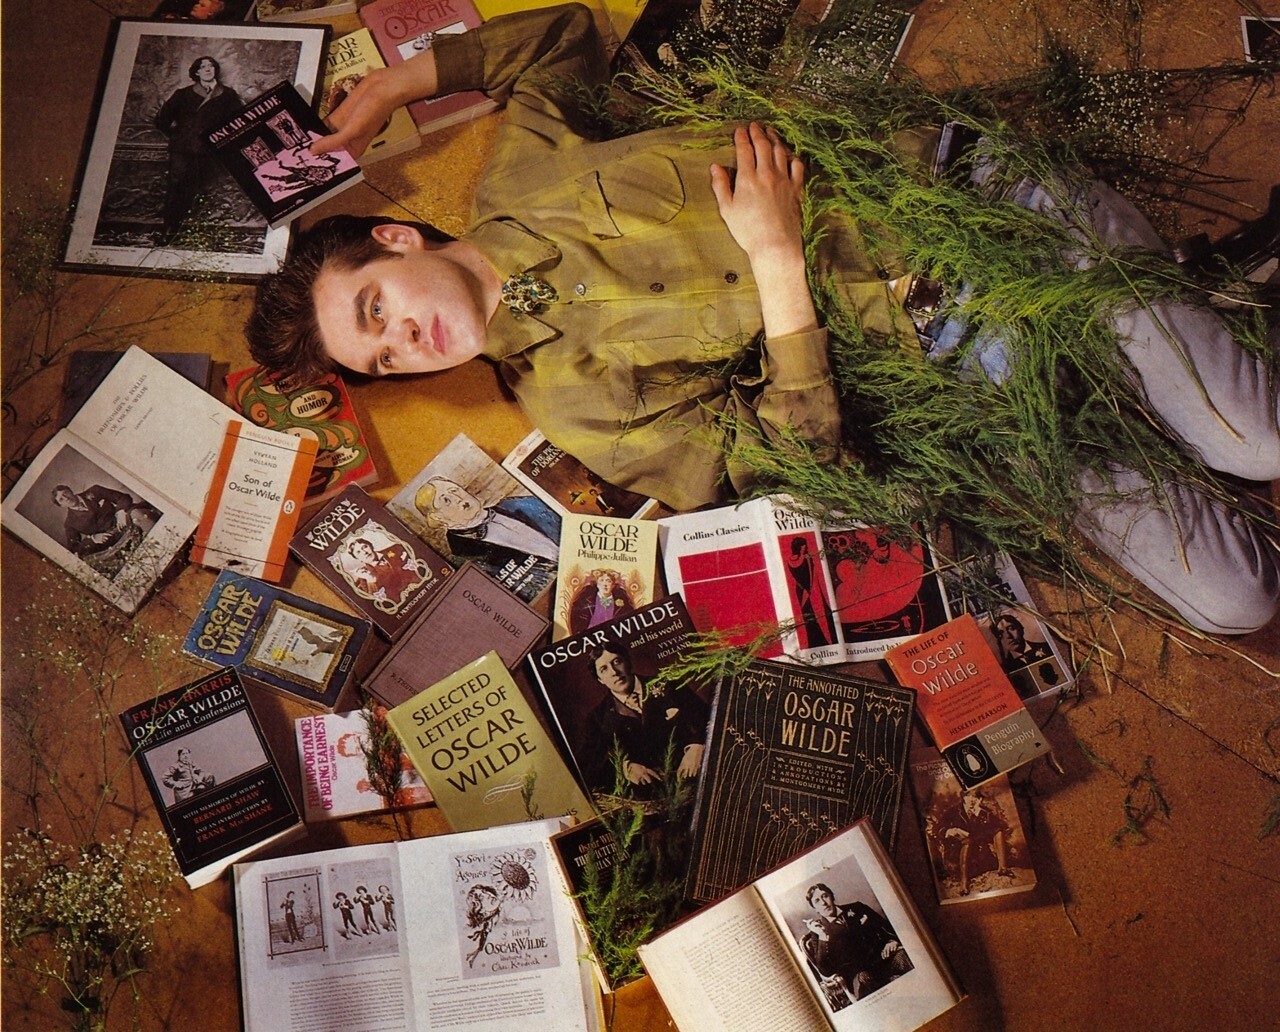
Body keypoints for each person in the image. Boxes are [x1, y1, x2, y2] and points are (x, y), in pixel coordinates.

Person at [244, 4, 1280, 637]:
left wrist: (397, 85)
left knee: (1258, 441)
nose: (403, 345)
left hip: (981, 214)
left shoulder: (524, 168)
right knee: (1238, 601)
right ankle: (1189, 311)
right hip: (969, 392)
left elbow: (559, 38)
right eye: (381, 360)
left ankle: (1153, 303)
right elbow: (785, 457)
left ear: (397, 241)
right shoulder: (574, 409)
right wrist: (778, 262)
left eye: (376, 310)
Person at [580, 641, 709, 796]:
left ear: (628, 661)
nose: (614, 672)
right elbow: (590, 765)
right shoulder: (597, 718)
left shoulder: (669, 684)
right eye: (604, 669)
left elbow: (707, 715)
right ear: (600, 680)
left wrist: (697, 746)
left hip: (699, 777)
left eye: (617, 661)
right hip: (650, 797)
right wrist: (626, 768)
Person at [154, 56, 242, 242]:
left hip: (209, 152)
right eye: (203, 67)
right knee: (176, 186)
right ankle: (169, 231)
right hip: (182, 151)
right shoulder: (183, 94)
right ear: (197, 72)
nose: (208, 69)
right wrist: (180, 136)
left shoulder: (228, 95)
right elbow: (161, 121)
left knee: (198, 188)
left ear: (215, 70)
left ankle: (191, 232)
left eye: (211, 66)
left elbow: (237, 123)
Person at [413, 476, 560, 570]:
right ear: (438, 517)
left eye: (455, 490)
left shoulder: (518, 504)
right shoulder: (466, 559)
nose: (459, 498)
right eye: (446, 500)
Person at [800, 883, 912, 1005]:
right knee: (864, 978)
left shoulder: (857, 908)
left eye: (825, 896)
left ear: (832, 897)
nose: (823, 903)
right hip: (856, 975)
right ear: (815, 908)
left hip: (883, 961)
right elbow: (825, 970)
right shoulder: (817, 932)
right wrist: (823, 935)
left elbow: (886, 926)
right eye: (817, 901)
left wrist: (891, 941)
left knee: (902, 955)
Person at [932, 787, 1014, 896]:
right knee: (967, 841)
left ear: (979, 799)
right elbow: (937, 829)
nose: (971, 800)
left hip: (977, 850)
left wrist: (980, 813)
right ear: (963, 797)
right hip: (957, 850)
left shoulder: (982, 810)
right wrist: (950, 831)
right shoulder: (953, 811)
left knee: (997, 831)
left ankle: (1003, 868)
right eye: (968, 796)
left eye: (975, 797)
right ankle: (964, 883)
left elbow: (1000, 825)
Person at [52, 483, 160, 558]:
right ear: (61, 505)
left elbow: (123, 497)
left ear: (71, 491)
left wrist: (120, 511)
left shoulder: (94, 491)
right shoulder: (70, 523)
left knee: (137, 514)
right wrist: (93, 539)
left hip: (124, 520)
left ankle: (161, 539)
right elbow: (74, 548)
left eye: (66, 493)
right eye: (61, 499)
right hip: (111, 539)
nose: (66, 498)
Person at [992, 613, 1059, 698]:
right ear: (998, 640)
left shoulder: (1047, 647)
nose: (1008, 636)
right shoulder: (1005, 668)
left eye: (1011, 628)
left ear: (1021, 628)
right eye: (1000, 633)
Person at [344, 536, 422, 606]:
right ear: (357, 559)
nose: (364, 552)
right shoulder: (364, 578)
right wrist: (371, 580)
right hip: (403, 604)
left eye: (365, 547)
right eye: (358, 552)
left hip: (420, 588)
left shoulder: (395, 549)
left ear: (371, 546)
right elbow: (374, 602)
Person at [569, 568, 634, 633]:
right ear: (597, 584)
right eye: (601, 580)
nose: (605, 584)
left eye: (608, 581)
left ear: (613, 585)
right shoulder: (587, 602)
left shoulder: (622, 604)